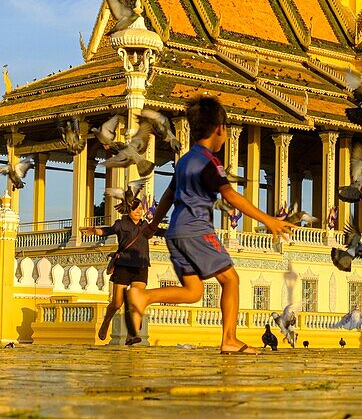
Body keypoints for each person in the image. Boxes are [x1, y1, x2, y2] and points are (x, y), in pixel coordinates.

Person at [125, 96, 293, 353]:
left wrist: (151, 225)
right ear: (220, 129)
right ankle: (229, 339)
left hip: (175, 233)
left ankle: (144, 296)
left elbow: (169, 195)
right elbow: (230, 195)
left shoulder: (183, 161)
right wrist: (268, 220)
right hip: (196, 231)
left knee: (193, 291)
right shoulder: (209, 162)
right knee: (231, 279)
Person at [83, 197, 150, 342]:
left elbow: (161, 232)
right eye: (135, 208)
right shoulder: (121, 224)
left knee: (136, 300)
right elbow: (108, 231)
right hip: (124, 266)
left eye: (140, 208)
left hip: (141, 266)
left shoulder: (146, 225)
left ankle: (131, 335)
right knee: (117, 303)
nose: (139, 211)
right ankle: (106, 322)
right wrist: (94, 231)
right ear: (128, 210)